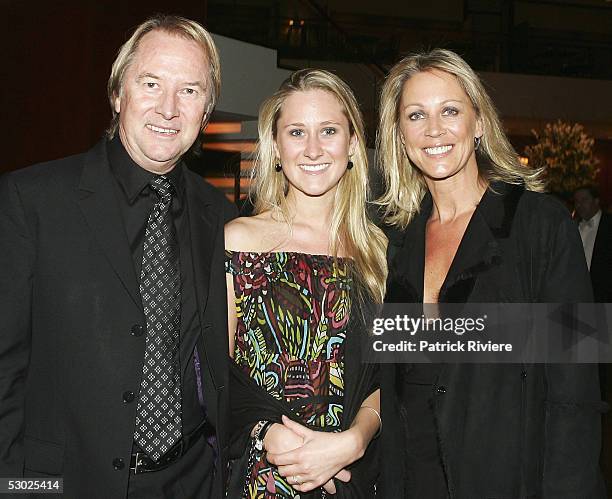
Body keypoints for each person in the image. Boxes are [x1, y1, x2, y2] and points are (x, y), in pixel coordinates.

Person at [0, 15, 237, 499]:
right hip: (62, 484)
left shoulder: (223, 217)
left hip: (190, 481)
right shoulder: (32, 201)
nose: (169, 108)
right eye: (151, 83)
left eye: (190, 91)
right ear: (117, 94)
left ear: (206, 110)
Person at [376, 49, 606, 498]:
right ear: (400, 135)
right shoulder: (394, 240)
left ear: (478, 123)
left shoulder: (542, 225)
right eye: (416, 115)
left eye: (450, 111)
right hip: (411, 478)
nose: (434, 130)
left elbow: (576, 388)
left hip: (505, 477)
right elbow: (392, 381)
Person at [224, 69, 386, 498]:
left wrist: (353, 441)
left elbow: (394, 377)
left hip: (353, 478)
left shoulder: (381, 254)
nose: (313, 149)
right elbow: (211, 372)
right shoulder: (239, 240)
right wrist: (270, 435)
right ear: (276, 147)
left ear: (352, 144)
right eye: (297, 132)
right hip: (261, 474)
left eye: (328, 131)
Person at [574, 185, 612, 303]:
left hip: (603, 296)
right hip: (576, 293)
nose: (579, 205)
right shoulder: (573, 226)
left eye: (584, 200)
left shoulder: (609, 225)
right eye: (577, 201)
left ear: (596, 201)